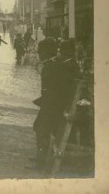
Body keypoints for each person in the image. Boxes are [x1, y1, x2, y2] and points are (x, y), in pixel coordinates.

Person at [31, 38, 79, 170]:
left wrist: (46, 101)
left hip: (53, 106)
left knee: (41, 129)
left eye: (40, 52)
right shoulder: (59, 64)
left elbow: (54, 88)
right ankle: (44, 158)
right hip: (55, 105)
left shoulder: (53, 65)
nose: (39, 54)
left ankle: (42, 161)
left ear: (46, 52)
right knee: (46, 130)